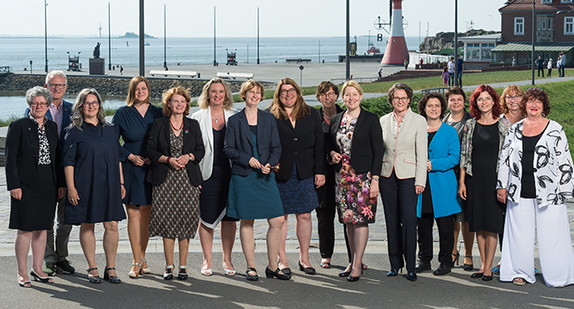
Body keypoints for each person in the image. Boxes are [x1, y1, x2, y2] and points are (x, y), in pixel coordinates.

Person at [497, 87, 574, 287]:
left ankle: (558, 276)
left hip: (550, 192)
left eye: (538, 102)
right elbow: (504, 159)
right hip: (519, 191)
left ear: (543, 106)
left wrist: (565, 189)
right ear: (525, 105)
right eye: (530, 101)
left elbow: (565, 161)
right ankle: (519, 272)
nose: (534, 105)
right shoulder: (514, 130)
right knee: (519, 235)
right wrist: (501, 186)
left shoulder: (555, 129)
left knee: (553, 235)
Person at [224, 80, 288, 281]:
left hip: (265, 175)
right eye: (251, 92)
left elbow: (277, 147)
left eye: (258, 93)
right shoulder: (235, 121)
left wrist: (270, 163)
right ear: (243, 95)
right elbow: (228, 149)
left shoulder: (269, 119)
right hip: (243, 176)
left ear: (262, 96)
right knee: (247, 220)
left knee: (277, 219)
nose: (255, 95)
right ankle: (251, 267)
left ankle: (271, 266)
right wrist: (248, 159)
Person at [63, 88, 126, 284]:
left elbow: (117, 158)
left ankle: (111, 268)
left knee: (112, 225)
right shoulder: (73, 131)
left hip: (110, 183)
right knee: (87, 224)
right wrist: (71, 188)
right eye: (87, 103)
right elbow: (68, 162)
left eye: (95, 102)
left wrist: (121, 182)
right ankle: (92, 267)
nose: (91, 106)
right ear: (81, 106)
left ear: (99, 105)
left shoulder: (110, 129)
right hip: (85, 183)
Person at [7, 86, 64, 287]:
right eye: (35, 103)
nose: (38, 106)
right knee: (24, 229)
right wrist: (14, 185)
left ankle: (37, 268)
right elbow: (10, 159)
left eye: (42, 103)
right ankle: (22, 272)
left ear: (48, 105)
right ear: (30, 105)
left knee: (42, 228)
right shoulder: (18, 125)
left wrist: (60, 184)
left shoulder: (51, 127)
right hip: (25, 185)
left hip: (48, 183)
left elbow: (57, 159)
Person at [146, 86, 204, 281]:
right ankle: (169, 266)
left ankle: (184, 267)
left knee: (185, 224)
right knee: (167, 224)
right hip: (165, 181)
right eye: (175, 101)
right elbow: (151, 151)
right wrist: (168, 159)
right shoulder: (159, 124)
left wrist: (188, 156)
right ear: (168, 104)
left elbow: (201, 151)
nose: (179, 104)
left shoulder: (193, 124)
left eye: (182, 101)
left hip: (188, 181)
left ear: (186, 104)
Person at [270, 78, 325, 276]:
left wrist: (320, 171)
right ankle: (282, 259)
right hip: (280, 173)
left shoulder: (311, 113)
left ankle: (304, 258)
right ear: (278, 94)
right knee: (281, 217)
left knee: (304, 215)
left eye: (291, 90)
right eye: (283, 91)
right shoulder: (270, 115)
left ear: (298, 92)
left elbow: (320, 145)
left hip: (305, 172)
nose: (288, 94)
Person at [329, 80, 383, 282]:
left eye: (354, 94)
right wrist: (332, 154)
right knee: (348, 220)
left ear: (361, 96)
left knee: (360, 222)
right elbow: (330, 145)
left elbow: (379, 152)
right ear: (343, 97)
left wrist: (375, 180)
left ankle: (358, 263)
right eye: (347, 95)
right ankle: (352, 260)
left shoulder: (370, 119)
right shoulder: (336, 119)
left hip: (363, 178)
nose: (351, 98)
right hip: (341, 178)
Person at [24, 71, 75, 276]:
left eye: (61, 85)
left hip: (69, 171)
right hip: (43, 173)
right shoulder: (35, 108)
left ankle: (62, 256)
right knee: (45, 219)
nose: (57, 89)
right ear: (46, 86)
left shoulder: (74, 109)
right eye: (53, 85)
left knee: (66, 219)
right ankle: (49, 259)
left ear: (66, 87)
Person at [458, 85, 511, 281]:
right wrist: (462, 183)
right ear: (475, 103)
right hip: (474, 180)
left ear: (494, 101)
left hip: (495, 180)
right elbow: (464, 155)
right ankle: (482, 264)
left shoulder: (503, 125)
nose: (484, 102)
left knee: (492, 224)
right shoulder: (470, 125)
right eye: (480, 99)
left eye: (488, 99)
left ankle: (489, 266)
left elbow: (508, 156)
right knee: (478, 223)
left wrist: (504, 184)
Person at [112, 76, 163, 278]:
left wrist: (154, 157)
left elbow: (165, 138)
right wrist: (130, 157)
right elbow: (112, 143)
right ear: (132, 92)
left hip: (152, 167)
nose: (140, 92)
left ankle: (142, 257)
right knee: (133, 213)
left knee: (147, 214)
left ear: (148, 90)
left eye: (143, 88)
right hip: (131, 168)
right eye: (136, 89)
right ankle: (135, 261)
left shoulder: (158, 112)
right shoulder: (122, 113)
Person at [190, 78, 238, 276]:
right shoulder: (197, 117)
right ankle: (207, 260)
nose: (217, 95)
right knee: (206, 219)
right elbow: (191, 149)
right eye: (213, 91)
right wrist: (195, 179)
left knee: (230, 219)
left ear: (225, 94)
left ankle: (227, 260)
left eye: (221, 91)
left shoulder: (234, 116)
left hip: (231, 175)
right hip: (206, 175)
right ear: (207, 94)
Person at [380, 83, 427, 281]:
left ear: (409, 100)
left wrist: (420, 181)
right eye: (396, 98)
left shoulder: (419, 121)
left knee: (408, 220)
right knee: (391, 220)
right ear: (391, 100)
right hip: (387, 174)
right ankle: (394, 264)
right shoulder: (382, 120)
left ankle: (410, 266)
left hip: (409, 176)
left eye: (404, 98)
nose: (400, 101)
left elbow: (422, 152)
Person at [415, 93, 461, 276]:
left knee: (445, 227)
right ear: (424, 109)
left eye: (437, 106)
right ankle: (424, 259)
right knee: (423, 226)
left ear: (442, 109)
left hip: (443, 186)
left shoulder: (449, 131)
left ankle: (445, 261)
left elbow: (454, 158)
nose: (433, 109)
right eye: (429, 106)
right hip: (422, 186)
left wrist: (433, 164)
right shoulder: (418, 130)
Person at [442, 86, 474, 271]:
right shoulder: (443, 120)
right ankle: (453, 251)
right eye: (452, 100)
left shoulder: (471, 121)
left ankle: (469, 253)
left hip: (466, 174)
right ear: (448, 102)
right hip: (447, 174)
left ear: (464, 101)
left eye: (459, 100)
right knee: (451, 217)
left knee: (466, 217)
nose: (455, 103)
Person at [315, 81, 344, 269]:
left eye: (332, 94)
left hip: (345, 171)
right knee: (325, 215)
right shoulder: (313, 117)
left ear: (337, 96)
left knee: (350, 216)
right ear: (319, 97)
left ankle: (355, 256)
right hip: (322, 172)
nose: (328, 97)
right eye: (324, 94)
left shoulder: (346, 115)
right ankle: (326, 254)